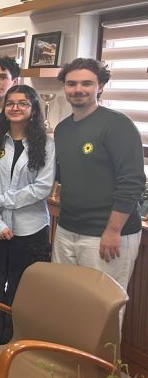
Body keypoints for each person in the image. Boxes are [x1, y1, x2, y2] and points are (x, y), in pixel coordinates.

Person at [52, 58, 145, 291]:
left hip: (105, 234)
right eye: (71, 83)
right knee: (66, 299)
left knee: (103, 304)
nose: (78, 89)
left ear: (100, 86)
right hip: (67, 229)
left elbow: (132, 181)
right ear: (64, 87)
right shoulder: (62, 129)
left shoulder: (117, 125)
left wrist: (113, 230)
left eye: (86, 83)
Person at [0, 84, 55, 344]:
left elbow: (41, 188)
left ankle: (14, 345)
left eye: (22, 103)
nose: (15, 107)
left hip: (30, 230)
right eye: (10, 103)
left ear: (34, 109)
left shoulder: (47, 145)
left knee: (22, 291)